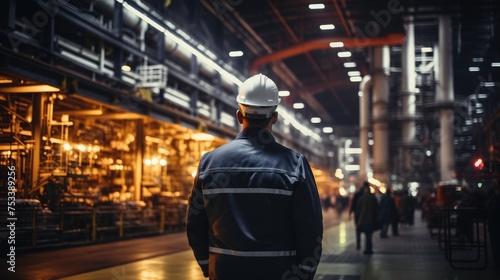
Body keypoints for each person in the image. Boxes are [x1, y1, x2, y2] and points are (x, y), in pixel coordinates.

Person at [186, 74, 323, 280]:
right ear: (274, 117)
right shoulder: (295, 165)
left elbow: (194, 222)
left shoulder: (209, 163)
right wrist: (304, 274)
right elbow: (310, 229)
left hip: (225, 272)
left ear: (239, 116)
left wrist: (208, 265)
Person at [356, 182, 379, 254]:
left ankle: (366, 248)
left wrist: (357, 220)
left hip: (363, 220)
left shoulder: (361, 198)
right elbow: (376, 209)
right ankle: (368, 249)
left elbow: (358, 210)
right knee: (369, 235)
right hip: (371, 220)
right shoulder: (373, 198)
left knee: (366, 234)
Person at [486, 177, 500, 269]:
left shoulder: (496, 198)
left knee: (496, 245)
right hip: (494, 224)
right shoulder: (495, 197)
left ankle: (497, 263)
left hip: (496, 225)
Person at [349, 183, 365, 250]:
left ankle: (358, 244)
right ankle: (367, 245)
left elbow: (353, 204)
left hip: (357, 214)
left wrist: (350, 212)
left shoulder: (356, 195)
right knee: (367, 230)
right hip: (364, 214)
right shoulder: (365, 195)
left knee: (358, 229)